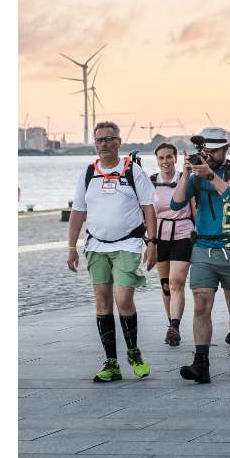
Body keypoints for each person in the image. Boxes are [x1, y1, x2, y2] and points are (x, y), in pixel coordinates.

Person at [65, 121, 157, 382]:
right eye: (100, 140)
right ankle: (112, 363)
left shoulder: (133, 171)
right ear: (95, 144)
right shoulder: (87, 173)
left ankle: (134, 353)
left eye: (109, 139)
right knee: (102, 302)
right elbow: (78, 212)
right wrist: (72, 247)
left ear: (119, 141)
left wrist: (153, 243)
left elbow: (149, 208)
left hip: (127, 244)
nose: (104, 144)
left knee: (123, 299)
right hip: (96, 246)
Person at [176, 128, 230, 384]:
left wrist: (210, 175)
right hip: (203, 248)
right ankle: (201, 363)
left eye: (214, 150)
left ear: (226, 150)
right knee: (200, 303)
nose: (209, 154)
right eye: (205, 150)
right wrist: (186, 174)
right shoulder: (196, 176)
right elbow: (176, 204)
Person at [146, 141, 194, 348]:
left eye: (168, 157)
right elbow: (147, 213)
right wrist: (150, 241)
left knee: (176, 282)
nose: (165, 161)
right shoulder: (151, 182)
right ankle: (170, 324)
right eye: (161, 158)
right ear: (157, 161)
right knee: (166, 285)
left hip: (183, 234)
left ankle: (175, 324)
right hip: (160, 236)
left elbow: (195, 209)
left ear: (175, 158)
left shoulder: (186, 179)